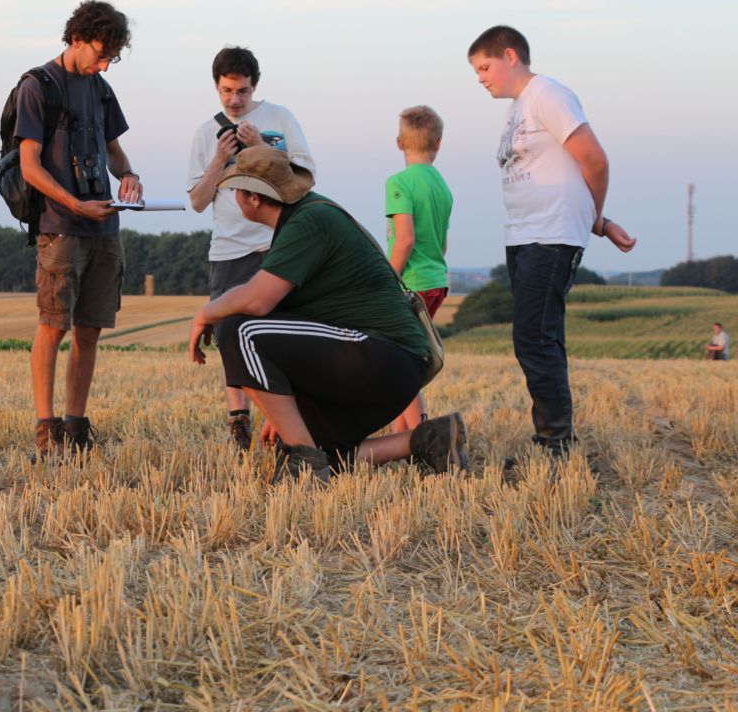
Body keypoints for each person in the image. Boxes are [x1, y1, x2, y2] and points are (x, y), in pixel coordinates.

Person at [189, 147, 467, 481]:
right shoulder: (303, 218)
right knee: (310, 448)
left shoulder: (308, 221)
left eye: (235, 190)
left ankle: (305, 467)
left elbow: (258, 300)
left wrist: (206, 313)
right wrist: (283, 416)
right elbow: (297, 340)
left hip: (383, 355)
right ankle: (427, 440)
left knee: (239, 330)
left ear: (252, 198)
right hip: (388, 365)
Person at [467, 25, 637, 457]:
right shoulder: (518, 109)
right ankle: (554, 439)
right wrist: (600, 224)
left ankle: (554, 444)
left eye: (484, 67)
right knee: (540, 336)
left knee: (533, 338)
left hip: (551, 234)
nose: (481, 78)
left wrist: (594, 218)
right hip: (525, 234)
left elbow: (594, 160)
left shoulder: (548, 95)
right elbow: (559, 174)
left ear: (510, 56)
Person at [16, 0, 142, 457]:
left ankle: (76, 423)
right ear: (76, 38)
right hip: (61, 227)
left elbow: (115, 151)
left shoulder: (100, 87)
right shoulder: (38, 86)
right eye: (101, 53)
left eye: (113, 57)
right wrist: (74, 204)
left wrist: (128, 175)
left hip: (103, 227)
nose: (105, 64)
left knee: (90, 328)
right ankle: (45, 427)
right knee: (54, 325)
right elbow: (30, 167)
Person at [187, 46, 316, 452]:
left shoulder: (280, 117)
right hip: (228, 249)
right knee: (228, 335)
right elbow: (197, 200)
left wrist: (260, 146)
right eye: (226, 91)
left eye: (242, 91)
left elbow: (304, 177)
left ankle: (286, 421)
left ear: (254, 86)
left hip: (276, 243)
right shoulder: (206, 133)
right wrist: (219, 162)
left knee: (284, 334)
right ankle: (238, 419)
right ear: (216, 86)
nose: (234, 100)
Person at [384, 106, 453, 433]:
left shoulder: (399, 182)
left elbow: (405, 240)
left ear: (399, 142)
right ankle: (402, 436)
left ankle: (422, 437)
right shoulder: (441, 186)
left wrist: (384, 280)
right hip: (437, 281)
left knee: (402, 366)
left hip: (408, 285)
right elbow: (442, 246)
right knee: (406, 357)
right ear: (438, 143)